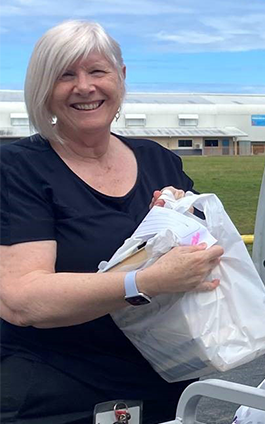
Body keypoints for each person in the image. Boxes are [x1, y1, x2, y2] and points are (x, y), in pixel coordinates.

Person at [0, 20, 224, 423]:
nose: (84, 86)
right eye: (65, 74)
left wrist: (181, 217)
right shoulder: (18, 169)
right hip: (53, 389)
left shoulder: (160, 160)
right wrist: (146, 281)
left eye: (97, 71)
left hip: (161, 377)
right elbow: (22, 300)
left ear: (120, 78)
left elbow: (202, 261)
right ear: (43, 90)